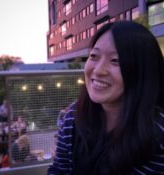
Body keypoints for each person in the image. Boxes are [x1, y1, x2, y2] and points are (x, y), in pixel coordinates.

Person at [47, 21, 164, 175]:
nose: (99, 70)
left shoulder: (158, 133)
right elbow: (59, 171)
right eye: (94, 56)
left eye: (115, 60)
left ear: (141, 70)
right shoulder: (73, 117)